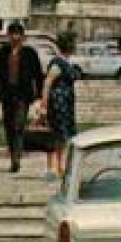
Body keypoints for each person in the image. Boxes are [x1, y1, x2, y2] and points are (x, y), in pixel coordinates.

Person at [0, 22, 43, 174]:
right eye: (12, 34)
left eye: (18, 34)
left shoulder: (30, 53)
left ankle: (17, 158)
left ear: (22, 36)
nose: (15, 37)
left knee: (18, 125)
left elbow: (38, 74)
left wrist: (40, 94)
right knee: (9, 126)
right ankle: (13, 157)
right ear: (8, 36)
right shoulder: (1, 52)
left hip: (23, 94)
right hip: (6, 93)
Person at [41, 32, 79, 180]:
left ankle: (60, 166)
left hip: (65, 103)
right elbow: (47, 83)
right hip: (58, 103)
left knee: (62, 136)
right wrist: (43, 105)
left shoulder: (66, 61)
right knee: (57, 135)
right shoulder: (57, 63)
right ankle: (53, 168)